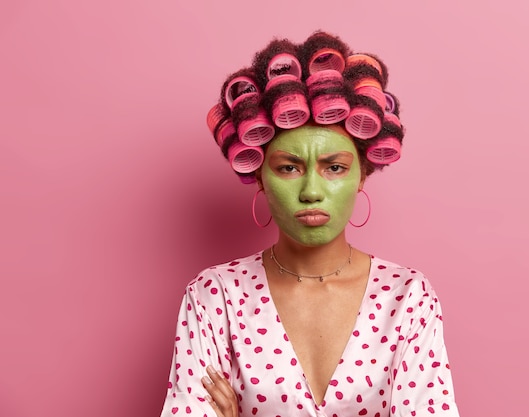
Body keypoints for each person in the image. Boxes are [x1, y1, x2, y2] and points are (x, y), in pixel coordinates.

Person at [160, 31, 460, 417]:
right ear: (260, 176)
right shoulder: (214, 297)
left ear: (363, 175)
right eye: (289, 168)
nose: (311, 191)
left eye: (334, 167)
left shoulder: (407, 298)